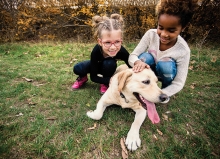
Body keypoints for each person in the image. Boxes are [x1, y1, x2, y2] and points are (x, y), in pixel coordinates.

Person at [128, 0, 198, 103]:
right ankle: (143, 88)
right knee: (144, 57)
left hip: (166, 74)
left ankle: (164, 90)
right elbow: (133, 56)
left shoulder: (183, 50)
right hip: (149, 73)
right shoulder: (150, 34)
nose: (164, 34)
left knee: (165, 64)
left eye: (171, 30)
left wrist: (161, 94)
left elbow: (178, 83)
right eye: (160, 27)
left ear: (183, 28)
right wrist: (137, 62)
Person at [72, 14, 131, 94]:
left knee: (109, 63)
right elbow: (93, 77)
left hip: (108, 68)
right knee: (77, 68)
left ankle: (104, 83)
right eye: (107, 42)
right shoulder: (96, 51)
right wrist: (110, 80)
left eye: (117, 42)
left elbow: (132, 66)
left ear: (121, 40)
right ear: (100, 42)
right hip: (97, 66)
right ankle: (83, 78)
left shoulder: (122, 51)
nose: (113, 47)